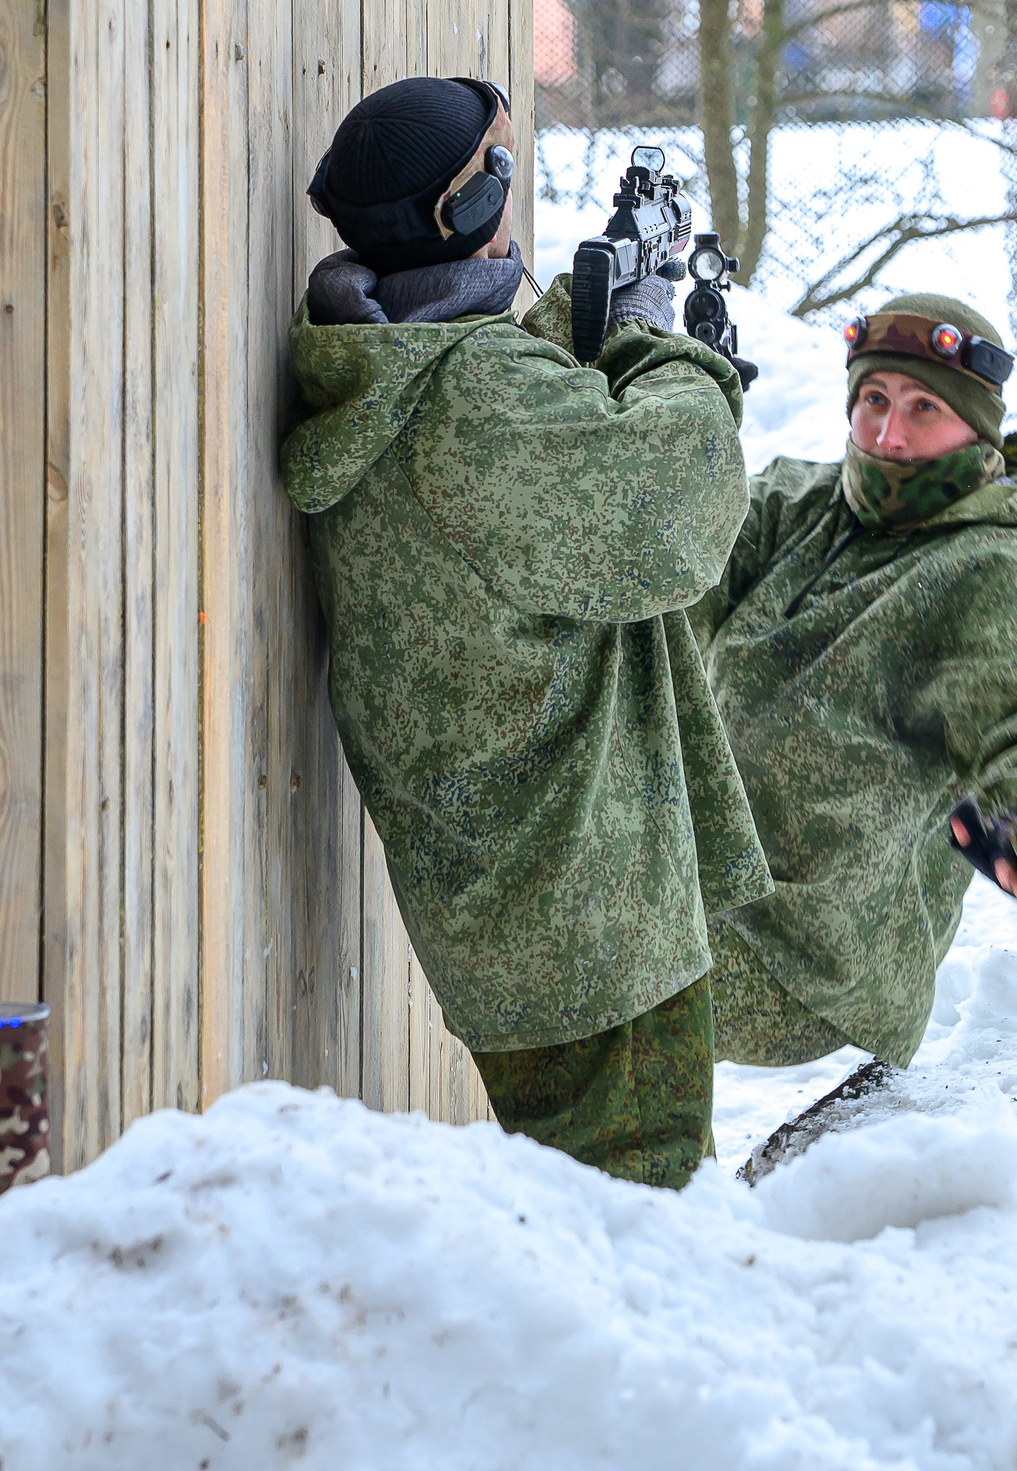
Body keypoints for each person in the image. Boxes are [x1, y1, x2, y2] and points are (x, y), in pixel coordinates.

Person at [281, 76, 768, 1185]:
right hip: (588, 913)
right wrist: (661, 347)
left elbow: (496, 414)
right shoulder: (472, 408)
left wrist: (584, 320)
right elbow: (672, 505)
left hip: (525, 905)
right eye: (496, 174)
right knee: (648, 1227)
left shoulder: (379, 367)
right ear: (464, 214)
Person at [689, 293, 1017, 1070]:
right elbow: (666, 577)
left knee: (577, 961)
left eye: (923, 407)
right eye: (874, 400)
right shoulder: (800, 507)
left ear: (979, 428)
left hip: (810, 961)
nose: (889, 434)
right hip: (695, 890)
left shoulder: (999, 571)